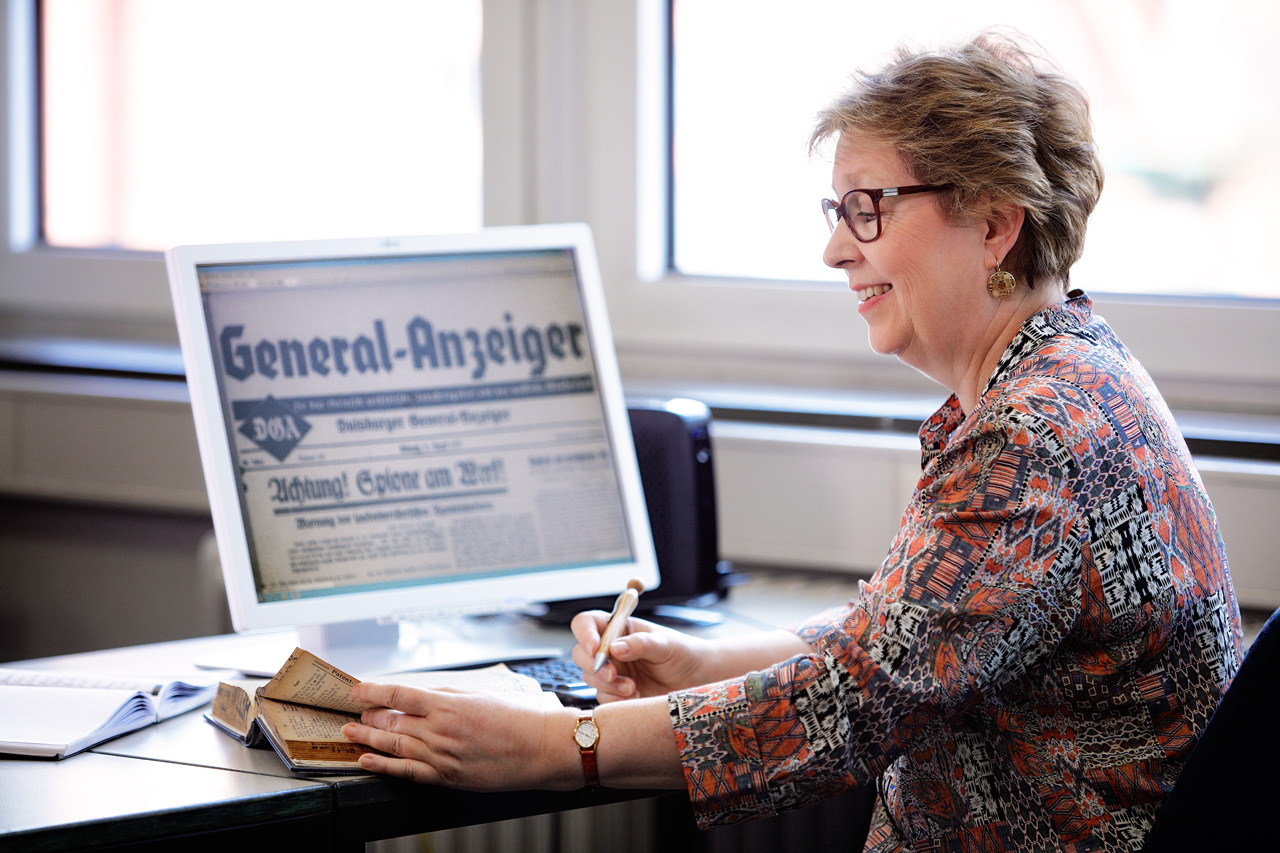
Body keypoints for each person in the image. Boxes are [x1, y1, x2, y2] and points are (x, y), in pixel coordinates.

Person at [341, 31, 1241, 851]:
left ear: (995, 222)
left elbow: (851, 703)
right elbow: (905, 642)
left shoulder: (1031, 438)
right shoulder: (1075, 373)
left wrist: (548, 745)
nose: (836, 251)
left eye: (869, 208)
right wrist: (704, 661)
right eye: (836, 208)